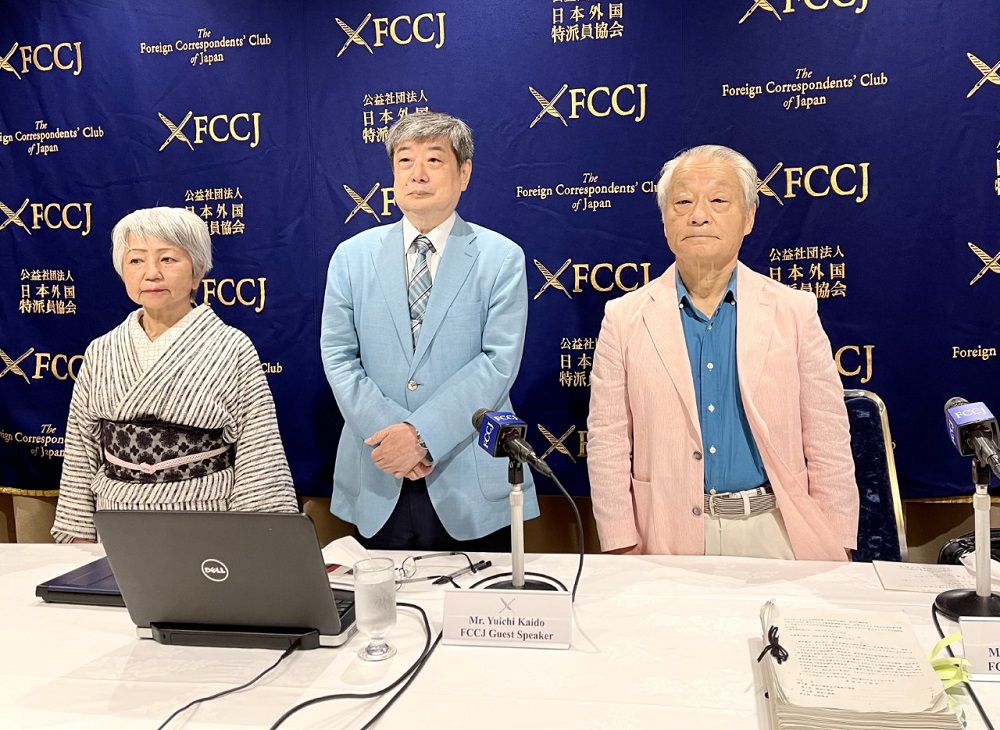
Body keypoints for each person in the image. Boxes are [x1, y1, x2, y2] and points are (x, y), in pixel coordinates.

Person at [587, 144, 858, 561]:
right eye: (682, 202)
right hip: (666, 537)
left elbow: (828, 436)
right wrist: (621, 542)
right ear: (664, 220)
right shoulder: (623, 318)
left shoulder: (794, 311)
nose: (699, 214)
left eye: (718, 200)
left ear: (748, 217)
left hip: (778, 532)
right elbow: (607, 442)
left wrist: (836, 541)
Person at [320, 111, 536, 552]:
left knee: (477, 617)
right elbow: (339, 356)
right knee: (383, 618)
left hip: (469, 476)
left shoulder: (501, 257)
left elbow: (498, 363)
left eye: (434, 160)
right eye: (404, 161)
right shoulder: (351, 256)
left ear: (464, 173)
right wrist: (393, 436)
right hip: (380, 471)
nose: (417, 174)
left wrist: (422, 436)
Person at [51, 207, 297, 543]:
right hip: (117, 521)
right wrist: (79, 533)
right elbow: (81, 450)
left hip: (206, 520)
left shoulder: (232, 347)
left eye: (168, 259)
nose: (151, 274)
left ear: (197, 272)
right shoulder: (101, 350)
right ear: (122, 272)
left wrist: (254, 540)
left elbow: (260, 449)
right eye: (136, 261)